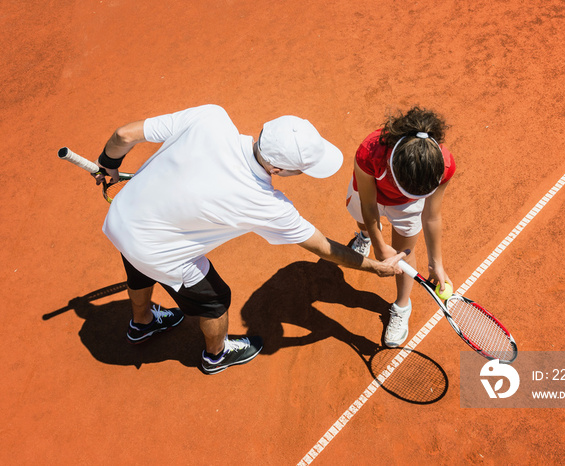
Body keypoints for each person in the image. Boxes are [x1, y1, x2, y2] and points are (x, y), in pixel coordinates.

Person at [94, 104, 406, 374]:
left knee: (138, 261)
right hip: (156, 248)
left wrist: (109, 162)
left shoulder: (211, 118)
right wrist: (373, 267)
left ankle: (144, 322)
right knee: (215, 300)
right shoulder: (266, 204)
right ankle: (215, 356)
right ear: (279, 169)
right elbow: (324, 247)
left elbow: (123, 136)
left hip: (124, 218)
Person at [346, 106, 456, 348]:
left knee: (404, 252)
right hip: (370, 196)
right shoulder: (370, 151)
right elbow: (368, 203)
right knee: (364, 220)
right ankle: (363, 236)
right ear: (393, 166)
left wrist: (436, 262)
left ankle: (402, 305)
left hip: (408, 207)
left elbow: (431, 216)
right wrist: (377, 244)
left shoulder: (443, 165)